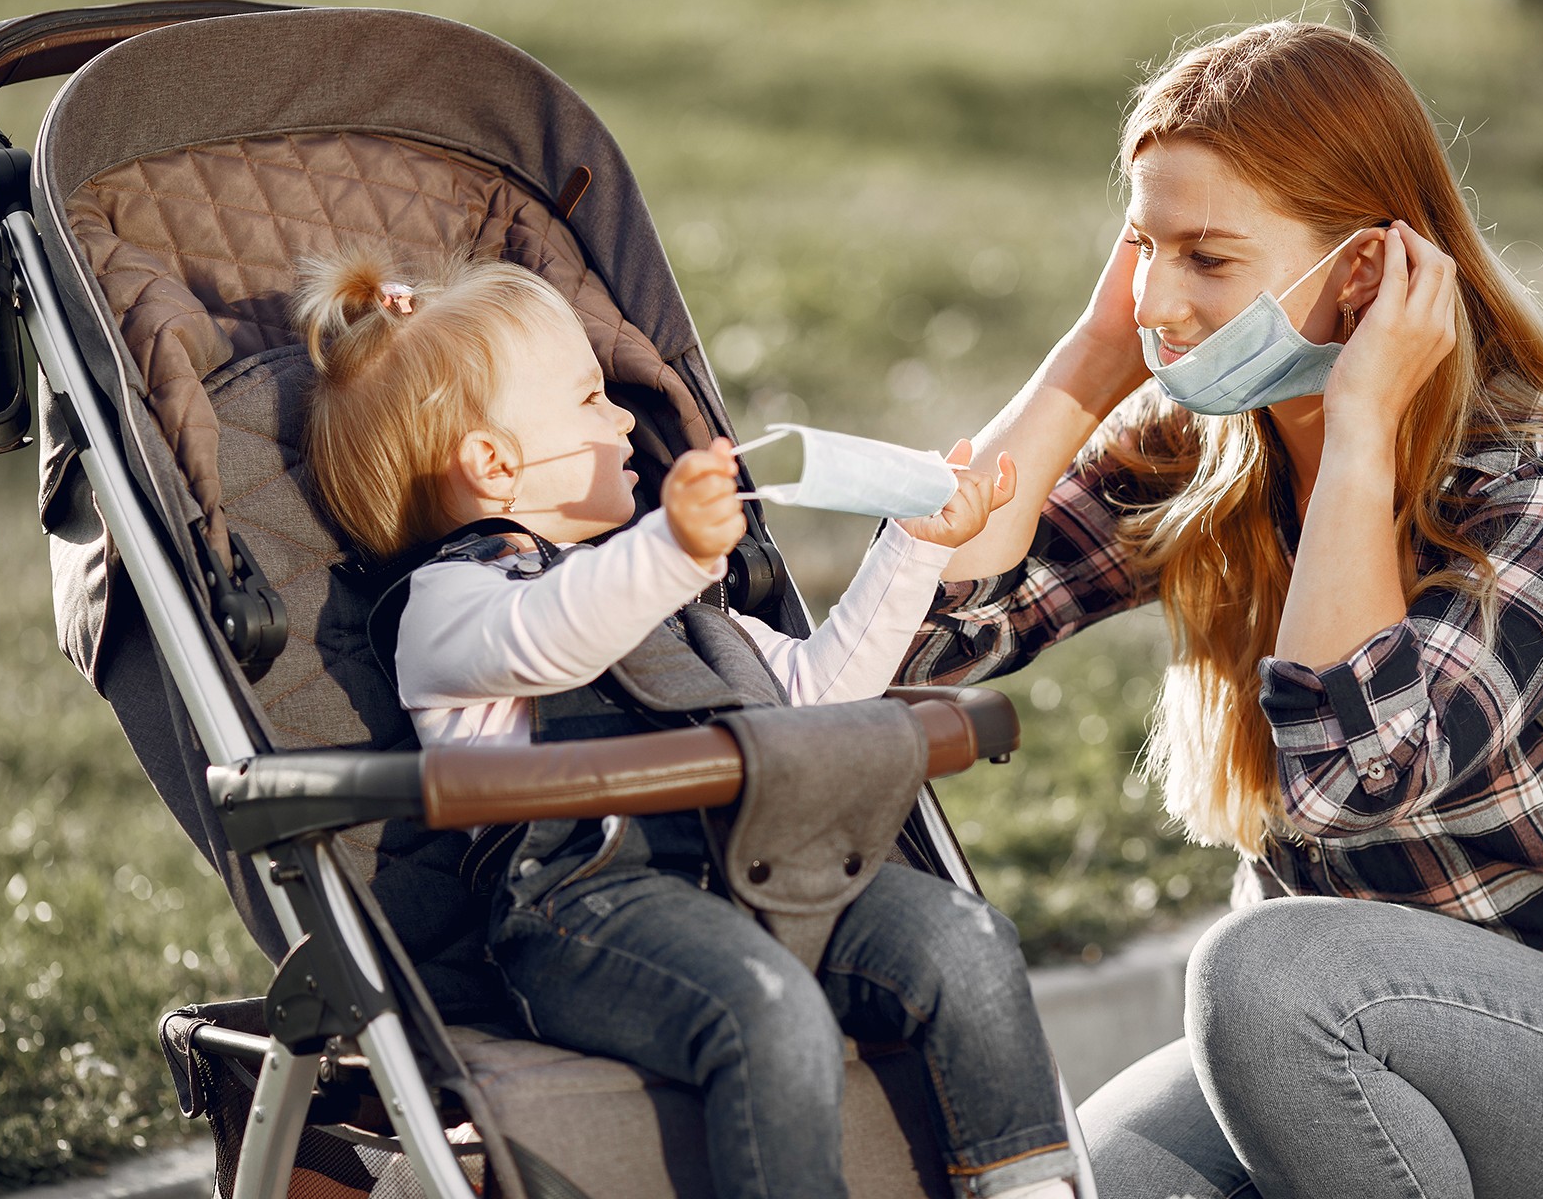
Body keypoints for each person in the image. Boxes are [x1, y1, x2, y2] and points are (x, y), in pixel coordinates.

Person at [901, 20, 1543, 1199]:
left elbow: (1362, 775)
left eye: (1207, 257)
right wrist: (1090, 362)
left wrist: (1360, 436)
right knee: (1069, 1186)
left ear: (1363, 271)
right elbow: (922, 635)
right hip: (1329, 1040)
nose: (1159, 298)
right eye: (1142, 247)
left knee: (1259, 968)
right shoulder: (1204, 454)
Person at [294, 249, 1077, 1199]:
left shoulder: (667, 601)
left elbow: (816, 700)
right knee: (767, 1009)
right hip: (584, 910)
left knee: (967, 942)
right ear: (494, 464)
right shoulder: (450, 609)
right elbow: (552, 637)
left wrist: (913, 549)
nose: (627, 418)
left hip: (760, 869)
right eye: (590, 401)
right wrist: (666, 550)